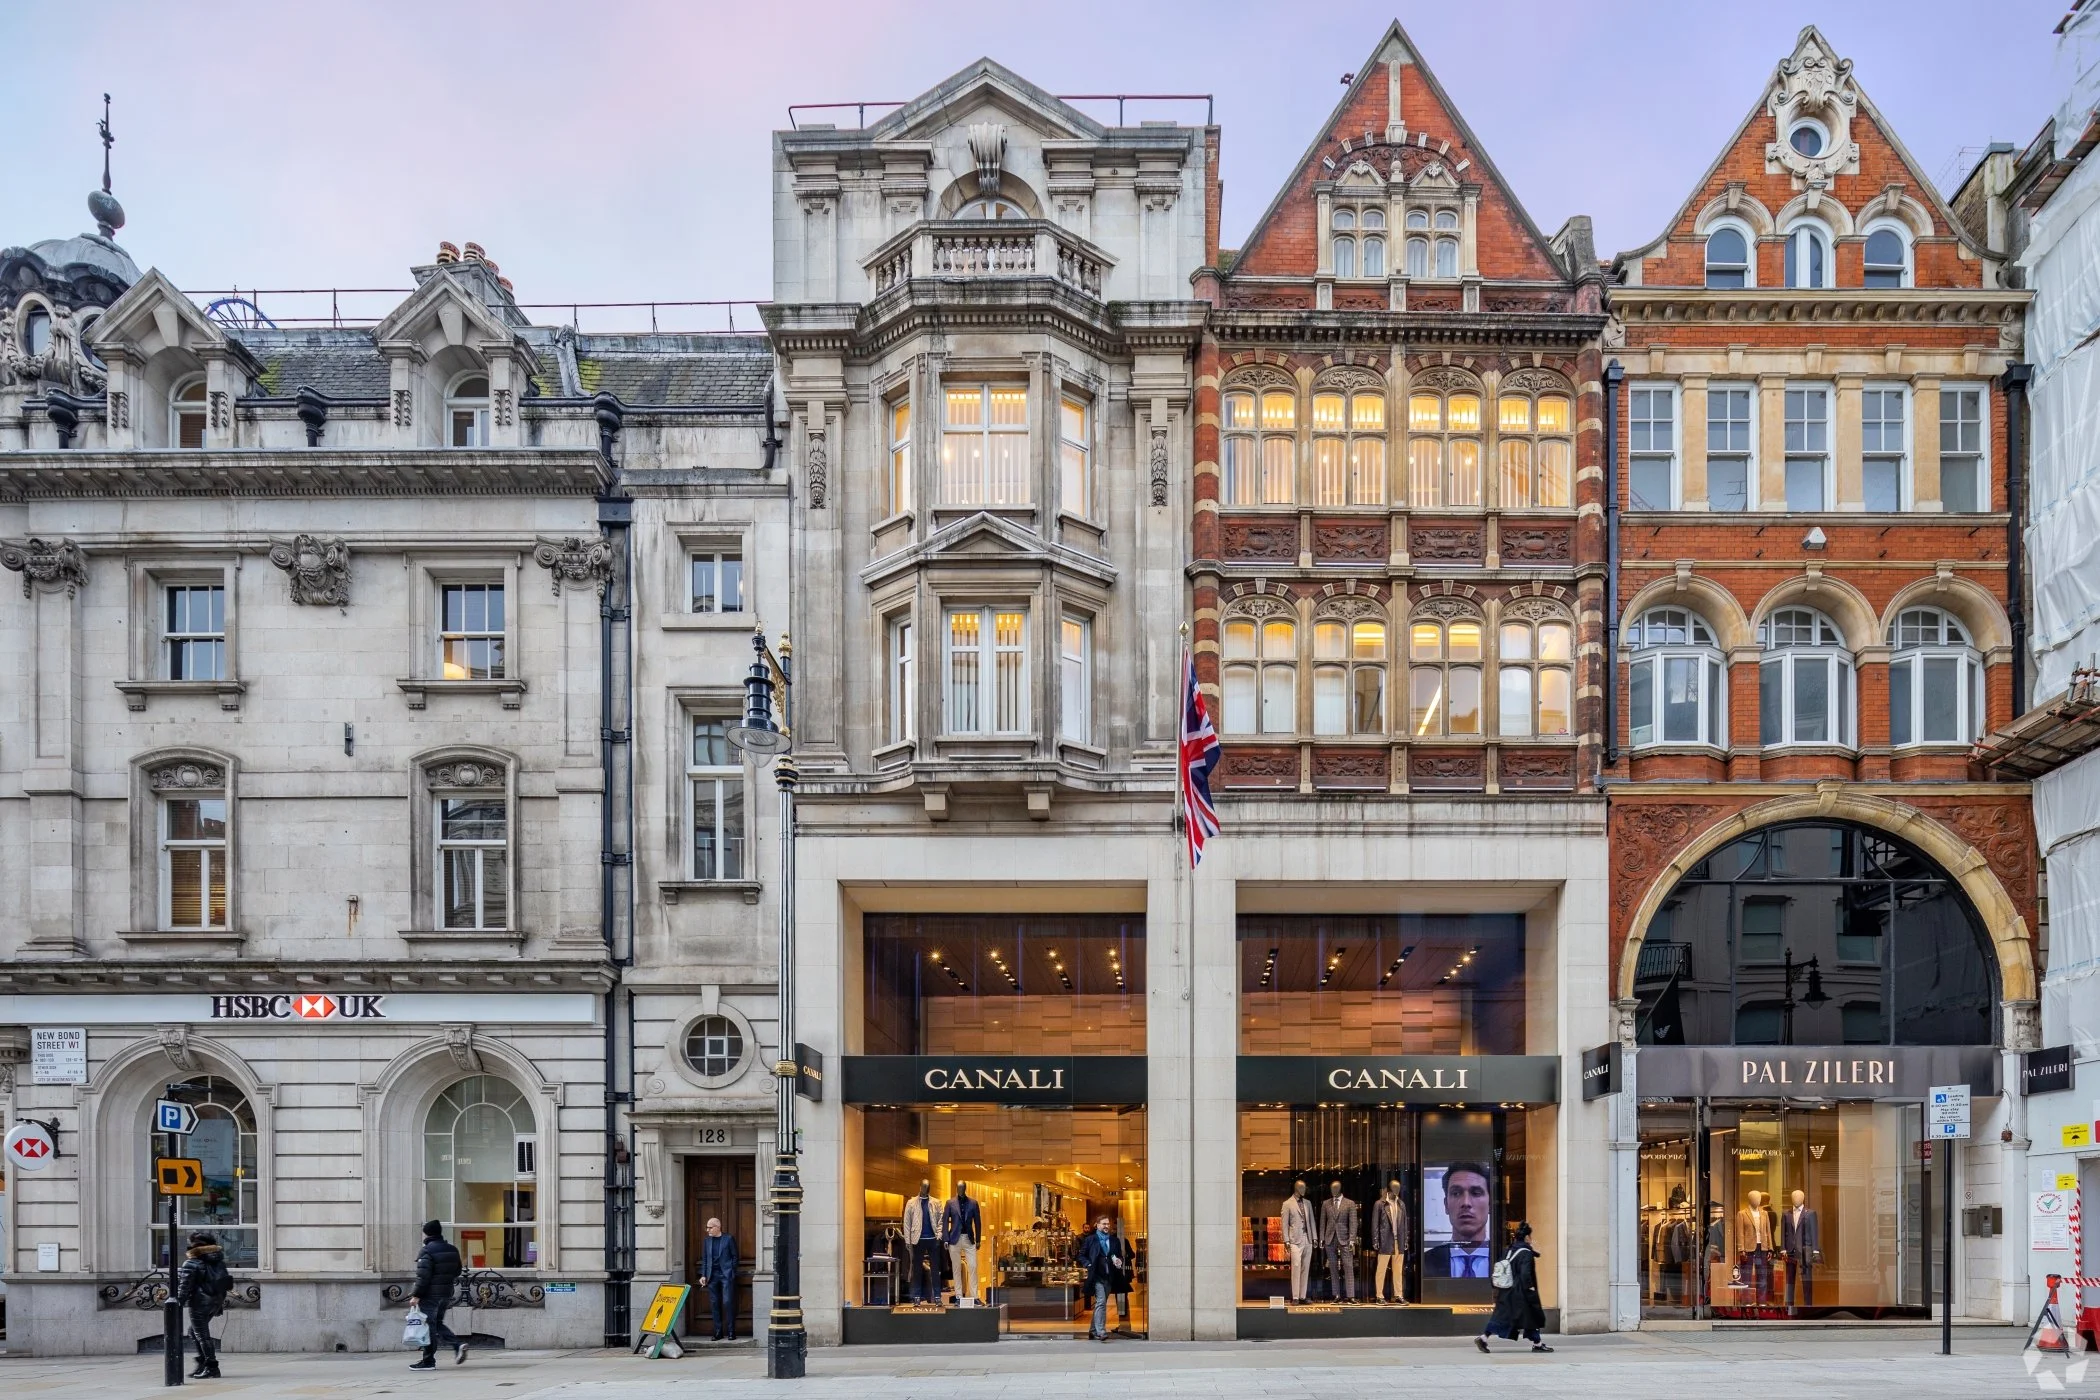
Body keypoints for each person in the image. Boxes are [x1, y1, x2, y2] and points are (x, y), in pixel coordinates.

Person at [1475, 1221, 1551, 1354]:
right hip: (1521, 1292)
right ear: (1526, 1237)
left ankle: (1483, 1338)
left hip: (1506, 1290)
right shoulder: (1526, 1253)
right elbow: (1525, 1273)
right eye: (1530, 1236)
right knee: (1532, 1316)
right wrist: (1530, 1288)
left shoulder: (1509, 1250)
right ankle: (1537, 1344)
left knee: (1501, 1316)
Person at [173, 1231, 231, 1379]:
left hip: (199, 1303)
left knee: (201, 1335)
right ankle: (203, 1363)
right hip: (215, 1301)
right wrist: (219, 1304)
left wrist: (176, 1304)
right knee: (194, 1332)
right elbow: (223, 1283)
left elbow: (184, 1288)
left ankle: (212, 1367)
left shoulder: (191, 1263)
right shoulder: (218, 1261)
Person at [409, 1219, 467, 1369]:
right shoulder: (452, 1249)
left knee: (429, 1327)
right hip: (446, 1293)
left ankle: (428, 1361)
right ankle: (457, 1345)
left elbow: (423, 1276)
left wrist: (416, 1295)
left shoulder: (427, 1251)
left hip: (430, 1295)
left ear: (426, 1234)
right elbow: (457, 1271)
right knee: (437, 1323)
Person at [1422, 1162, 1494, 1279]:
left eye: (1476, 1193)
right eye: (1456, 1193)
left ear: (1490, 1204)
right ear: (1446, 1205)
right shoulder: (1425, 1263)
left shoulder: (1508, 1261)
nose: (1466, 1203)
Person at [1076, 1215, 1127, 1341]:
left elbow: (1119, 1255)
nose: (1106, 1226)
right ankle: (1101, 1331)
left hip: (1109, 1277)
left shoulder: (1114, 1241)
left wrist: (1119, 1261)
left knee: (1101, 1303)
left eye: (1108, 1224)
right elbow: (1081, 1255)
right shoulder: (1091, 1239)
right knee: (1101, 1301)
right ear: (1097, 1225)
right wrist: (1088, 1264)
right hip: (1096, 1276)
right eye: (1104, 1224)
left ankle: (1093, 1331)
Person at [699, 1216, 740, 1340]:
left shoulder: (728, 1239)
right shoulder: (707, 1241)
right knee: (715, 1304)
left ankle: (731, 1331)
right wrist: (703, 1275)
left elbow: (735, 1256)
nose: (708, 1230)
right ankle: (718, 1332)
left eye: (710, 1227)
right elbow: (705, 1259)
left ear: (718, 1227)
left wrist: (731, 1271)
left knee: (728, 1302)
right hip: (712, 1276)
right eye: (707, 1227)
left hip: (726, 1275)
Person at [902, 1180, 943, 1303]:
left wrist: (939, 1235)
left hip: (933, 1239)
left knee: (935, 1269)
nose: (925, 1189)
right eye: (924, 1187)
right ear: (920, 1187)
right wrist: (908, 1240)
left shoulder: (936, 1202)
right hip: (917, 1239)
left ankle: (937, 1296)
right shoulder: (911, 1203)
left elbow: (941, 1220)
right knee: (917, 1269)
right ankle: (916, 1296)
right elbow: (907, 1222)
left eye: (927, 1187)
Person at [1372, 1179, 1409, 1304]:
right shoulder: (1380, 1204)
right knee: (1381, 1269)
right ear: (1389, 1189)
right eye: (1394, 1187)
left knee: (1398, 1270)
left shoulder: (1401, 1204)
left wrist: (1405, 1239)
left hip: (1399, 1240)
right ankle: (1379, 1295)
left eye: (1398, 1188)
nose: (1397, 1190)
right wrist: (1376, 1240)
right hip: (1385, 1240)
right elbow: (1375, 1224)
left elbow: (1404, 1223)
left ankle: (1398, 1295)